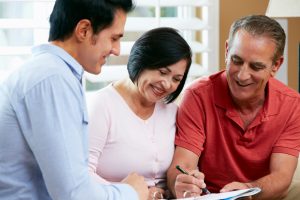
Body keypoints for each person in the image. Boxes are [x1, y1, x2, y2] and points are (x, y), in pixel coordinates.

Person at [0, 0, 149, 199]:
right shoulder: (52, 79)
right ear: (84, 30)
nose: (117, 50)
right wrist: (132, 192)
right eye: (114, 38)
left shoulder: (53, 73)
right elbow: (73, 194)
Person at [167, 15, 300, 199]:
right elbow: (182, 165)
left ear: (276, 65)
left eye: (256, 66)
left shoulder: (292, 104)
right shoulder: (197, 96)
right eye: (237, 61)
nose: (242, 75)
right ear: (227, 50)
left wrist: (248, 189)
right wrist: (181, 184)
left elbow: (282, 177)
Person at [87, 27, 192, 200]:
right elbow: (82, 175)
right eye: (163, 72)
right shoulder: (102, 105)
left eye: (176, 79)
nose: (167, 84)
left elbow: (168, 178)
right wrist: (130, 193)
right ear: (141, 61)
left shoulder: (172, 111)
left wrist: (183, 183)